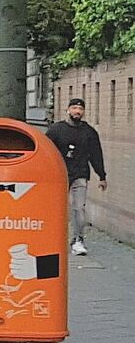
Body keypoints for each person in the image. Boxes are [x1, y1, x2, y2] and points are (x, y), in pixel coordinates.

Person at [45, 97, 107, 256]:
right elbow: (45, 151)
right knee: (55, 207)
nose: (77, 112)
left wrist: (101, 175)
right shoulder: (56, 130)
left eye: (80, 109)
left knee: (79, 208)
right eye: (74, 108)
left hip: (80, 174)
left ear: (84, 112)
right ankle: (51, 238)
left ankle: (78, 240)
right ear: (68, 110)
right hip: (58, 175)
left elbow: (96, 154)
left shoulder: (89, 132)